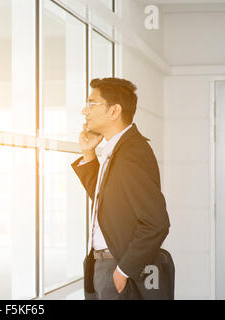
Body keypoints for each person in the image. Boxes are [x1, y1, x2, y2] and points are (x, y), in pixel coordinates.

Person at [71, 77, 173, 300]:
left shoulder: (132, 152)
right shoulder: (117, 148)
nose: (84, 111)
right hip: (103, 266)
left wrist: (123, 270)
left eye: (92, 103)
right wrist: (89, 154)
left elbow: (156, 223)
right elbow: (108, 202)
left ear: (114, 111)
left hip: (117, 266)